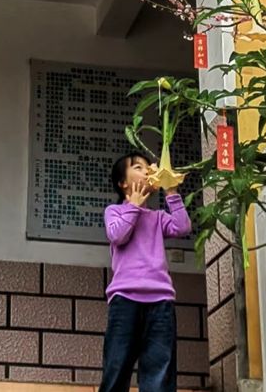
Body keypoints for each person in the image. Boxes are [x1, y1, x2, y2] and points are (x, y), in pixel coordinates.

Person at [98, 151, 192, 392]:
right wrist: (133, 207)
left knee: (159, 370)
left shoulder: (158, 217)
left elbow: (182, 227)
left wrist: (170, 191)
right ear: (123, 183)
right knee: (116, 367)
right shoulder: (114, 211)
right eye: (139, 167)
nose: (148, 170)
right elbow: (117, 235)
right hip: (124, 299)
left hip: (160, 300)